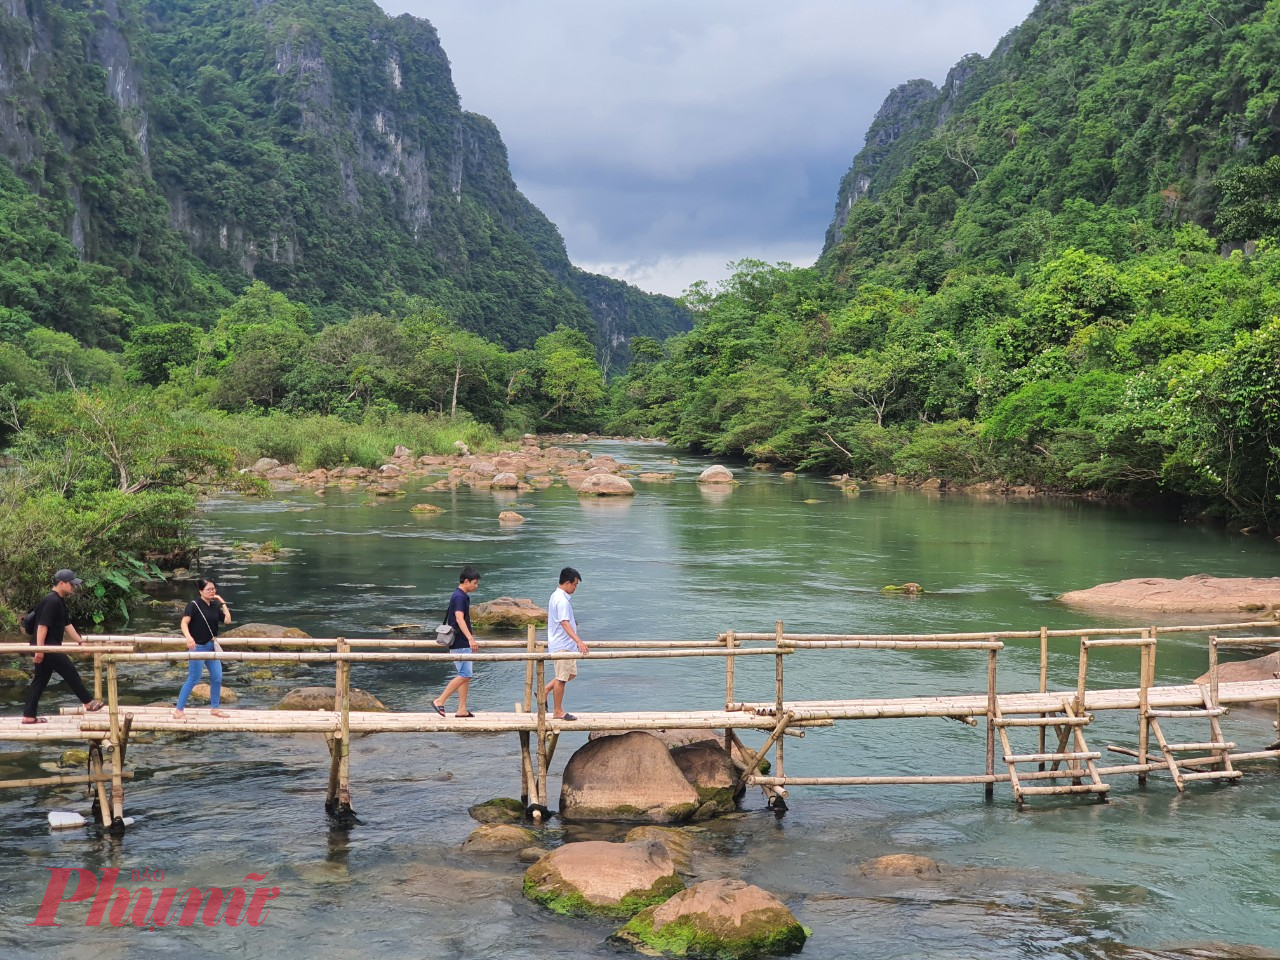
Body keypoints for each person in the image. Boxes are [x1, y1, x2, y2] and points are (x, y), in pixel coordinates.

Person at [22, 569, 104, 723]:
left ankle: (29, 716)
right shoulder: (52, 601)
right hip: (46, 646)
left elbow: (67, 625)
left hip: (46, 646)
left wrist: (81, 642)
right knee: (69, 670)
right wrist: (40, 650)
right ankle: (88, 702)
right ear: (61, 583)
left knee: (40, 680)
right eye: (71, 584)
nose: (73, 587)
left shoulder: (59, 601)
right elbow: (42, 627)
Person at [172, 578, 232, 720]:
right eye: (208, 589)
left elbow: (228, 620)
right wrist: (188, 637)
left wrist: (222, 602)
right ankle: (179, 709)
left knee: (217, 678)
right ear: (200, 591)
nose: (212, 592)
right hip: (197, 647)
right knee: (193, 678)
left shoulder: (214, 606)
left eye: (213, 589)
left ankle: (215, 708)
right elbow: (184, 623)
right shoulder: (193, 605)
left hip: (211, 647)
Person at [432, 566, 481, 718]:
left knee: (465, 675)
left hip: (461, 642)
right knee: (465, 674)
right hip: (460, 642)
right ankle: (440, 700)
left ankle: (462, 709)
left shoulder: (460, 595)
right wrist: (470, 638)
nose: (476, 586)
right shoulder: (459, 597)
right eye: (475, 582)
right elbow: (459, 618)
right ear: (466, 581)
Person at [543, 566, 588, 721]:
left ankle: (546, 689)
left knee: (570, 674)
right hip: (562, 644)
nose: (575, 587)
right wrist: (579, 641)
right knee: (561, 678)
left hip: (565, 644)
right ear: (568, 583)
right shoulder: (561, 600)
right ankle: (558, 711)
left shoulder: (556, 596)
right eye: (575, 584)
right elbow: (564, 623)